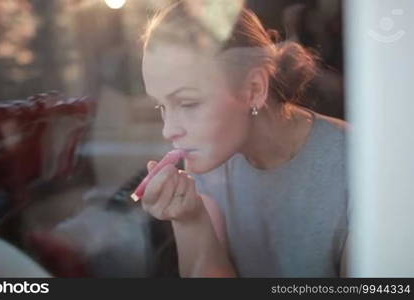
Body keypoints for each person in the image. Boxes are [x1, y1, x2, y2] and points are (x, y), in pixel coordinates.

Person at [139, 1, 348, 277]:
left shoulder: (357, 165)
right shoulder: (208, 161)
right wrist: (190, 220)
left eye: (187, 103)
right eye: (162, 106)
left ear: (254, 88)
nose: (168, 130)